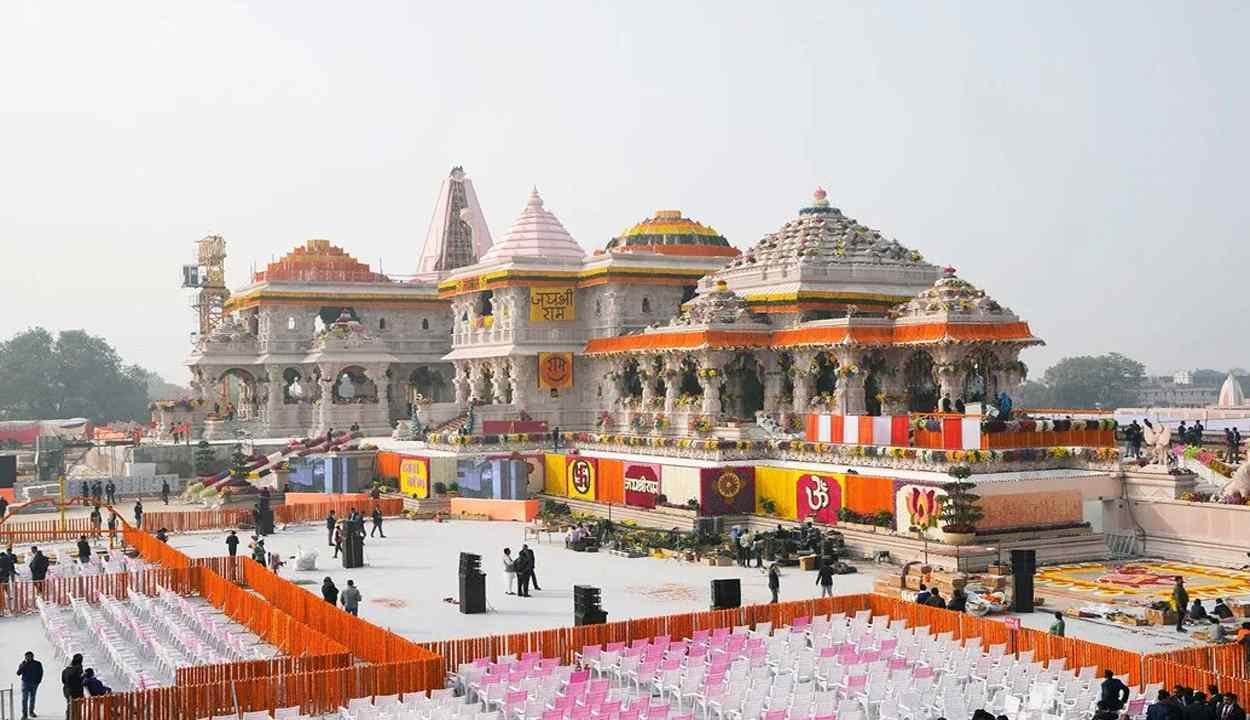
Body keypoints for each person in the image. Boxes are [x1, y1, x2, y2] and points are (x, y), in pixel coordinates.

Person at [17, 650, 43, 720]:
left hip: (34, 684)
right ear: (25, 657)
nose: (28, 658)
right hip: (25, 683)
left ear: (32, 656)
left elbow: (41, 673)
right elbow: (18, 673)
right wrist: (24, 665)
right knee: (24, 699)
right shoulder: (23, 664)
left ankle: (31, 712)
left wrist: (38, 681)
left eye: (29, 656)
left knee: (32, 698)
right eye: (27, 657)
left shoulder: (38, 663)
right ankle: (24, 715)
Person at [61, 653, 83, 720]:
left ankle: (69, 717)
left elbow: (63, 680)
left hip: (67, 689)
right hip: (77, 690)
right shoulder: (79, 668)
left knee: (70, 705)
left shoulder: (67, 669)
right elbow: (80, 679)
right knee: (77, 707)